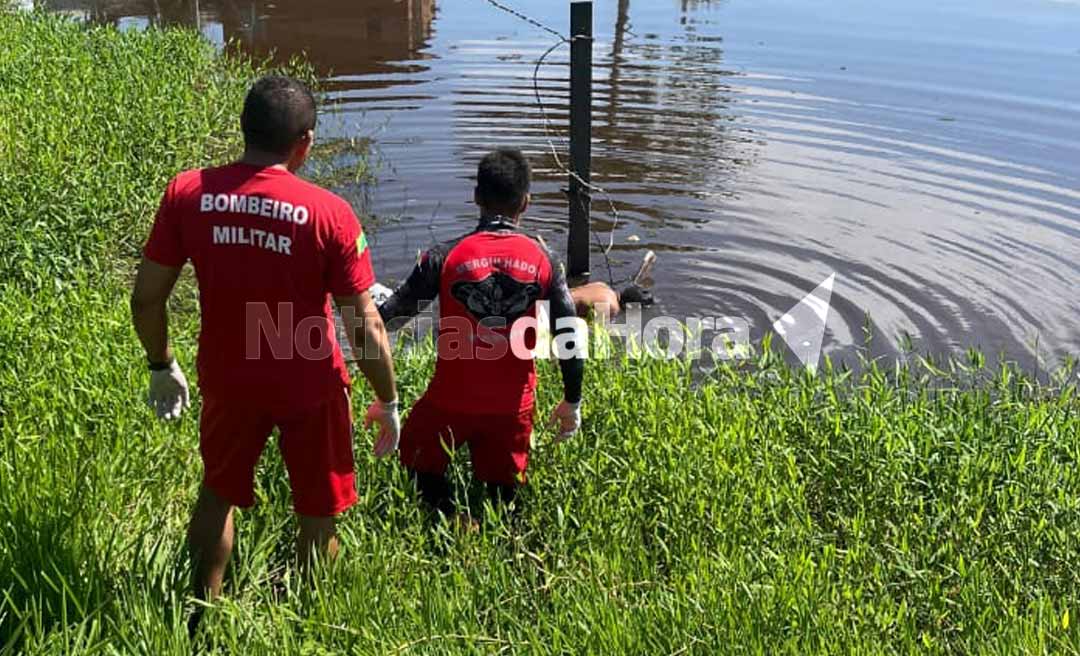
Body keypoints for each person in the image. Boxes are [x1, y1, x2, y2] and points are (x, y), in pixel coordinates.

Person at [130, 76, 400, 621]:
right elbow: (364, 324)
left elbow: (146, 298)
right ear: (305, 141)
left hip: (230, 377)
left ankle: (202, 615)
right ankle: (305, 622)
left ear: (244, 128)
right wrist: (388, 400)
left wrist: (161, 365)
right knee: (318, 509)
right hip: (310, 381)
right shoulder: (330, 214)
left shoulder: (188, 193)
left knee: (217, 492)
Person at [379, 148, 585, 521]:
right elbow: (568, 334)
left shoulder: (444, 257)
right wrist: (572, 401)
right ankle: (492, 529)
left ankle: (446, 516)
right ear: (526, 202)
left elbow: (391, 319)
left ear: (476, 197)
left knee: (414, 461)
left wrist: (360, 307)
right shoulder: (545, 262)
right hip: (512, 410)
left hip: (449, 404)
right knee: (504, 501)